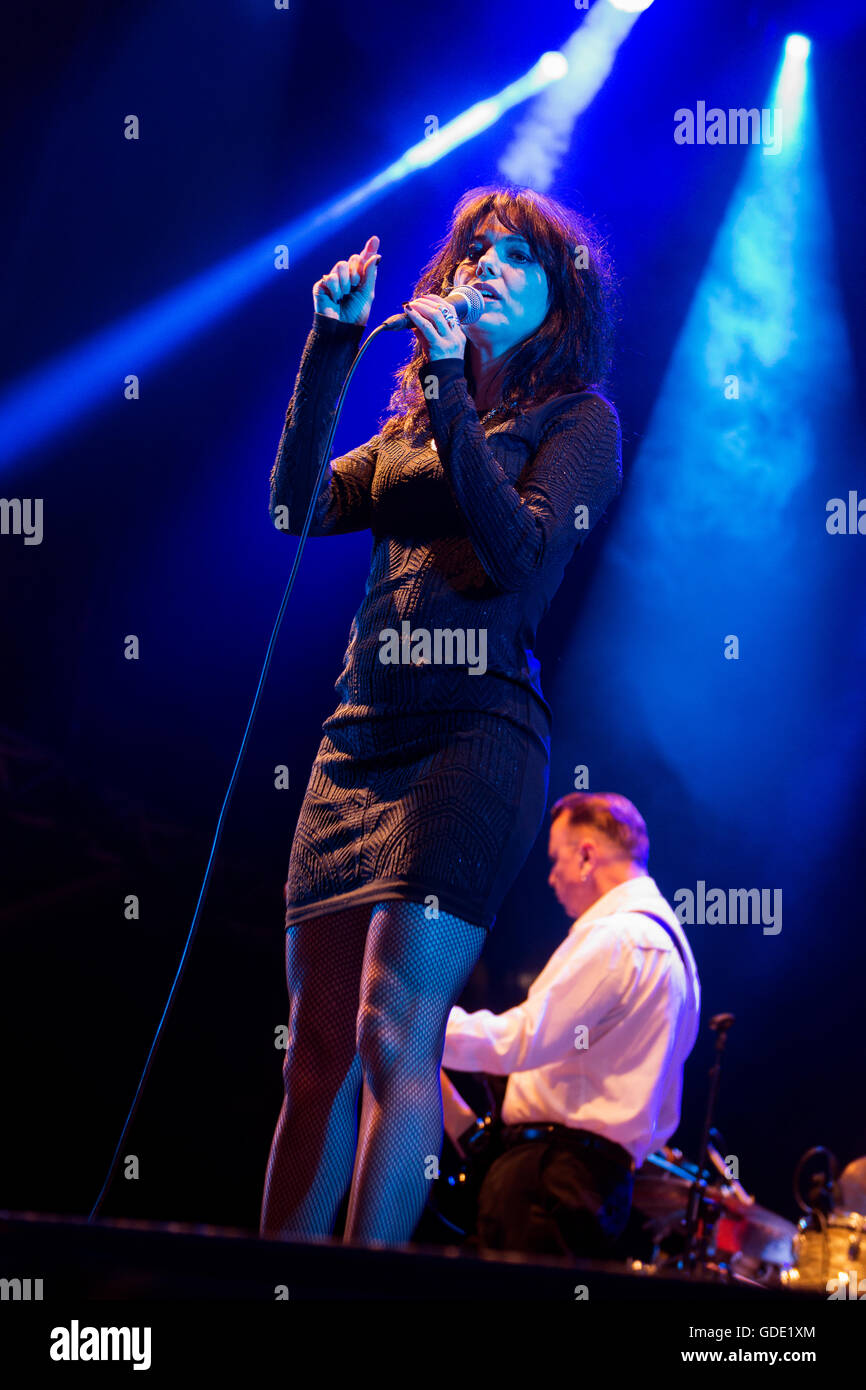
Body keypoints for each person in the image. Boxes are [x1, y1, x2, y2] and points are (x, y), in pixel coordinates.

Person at [259, 185, 623, 1247]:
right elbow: (295, 508)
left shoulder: (578, 421)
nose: (488, 267)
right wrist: (332, 342)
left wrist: (456, 384)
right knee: (314, 1046)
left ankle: (361, 1285)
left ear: (558, 300)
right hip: (357, 737)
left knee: (390, 1032)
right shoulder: (414, 425)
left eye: (519, 259)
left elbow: (518, 551)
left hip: (471, 740)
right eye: (477, 251)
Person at [442, 792, 701, 1259]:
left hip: (547, 1180)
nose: (551, 876)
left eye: (556, 859)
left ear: (586, 856)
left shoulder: (617, 938)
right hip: (600, 1187)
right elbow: (661, 1118)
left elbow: (519, 1040)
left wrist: (422, 1027)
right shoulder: (678, 957)